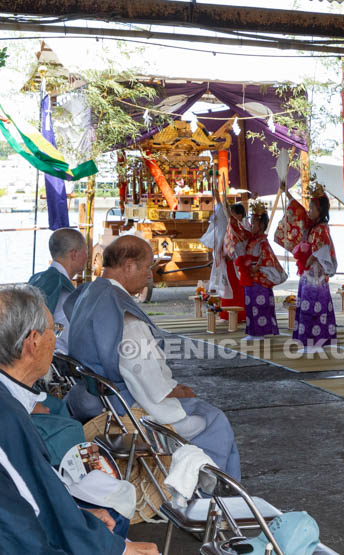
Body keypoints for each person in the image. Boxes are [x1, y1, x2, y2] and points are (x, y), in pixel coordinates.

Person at [65, 235, 241, 479]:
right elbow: (147, 379)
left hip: (89, 397)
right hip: (122, 406)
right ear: (129, 266)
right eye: (147, 267)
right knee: (214, 421)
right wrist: (173, 390)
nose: (150, 275)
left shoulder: (88, 293)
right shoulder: (123, 315)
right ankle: (211, 491)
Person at [0, 285, 158, 554]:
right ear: (33, 341)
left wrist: (76, 514)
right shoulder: (7, 417)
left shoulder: (10, 404)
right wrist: (118, 550)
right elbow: (25, 522)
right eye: (54, 331)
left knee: (108, 518)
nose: (55, 340)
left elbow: (34, 496)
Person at [275, 182, 338, 353]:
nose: (309, 211)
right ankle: (311, 342)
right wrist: (287, 192)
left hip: (315, 273)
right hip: (308, 273)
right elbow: (299, 212)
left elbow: (322, 249)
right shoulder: (313, 226)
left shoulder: (322, 228)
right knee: (308, 305)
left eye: (312, 208)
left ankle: (314, 342)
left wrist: (311, 257)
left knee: (314, 307)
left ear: (320, 210)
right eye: (310, 207)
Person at [231, 201, 286, 340]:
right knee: (251, 305)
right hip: (251, 276)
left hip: (259, 278)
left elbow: (267, 260)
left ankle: (260, 332)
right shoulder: (252, 240)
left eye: (254, 223)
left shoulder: (262, 242)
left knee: (259, 305)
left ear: (261, 225)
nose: (251, 225)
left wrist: (256, 268)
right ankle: (253, 332)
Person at [28, 227, 87, 354]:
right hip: (54, 358)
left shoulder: (36, 278)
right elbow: (69, 341)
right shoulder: (63, 290)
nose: (87, 257)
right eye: (85, 252)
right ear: (74, 254)